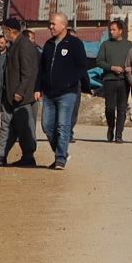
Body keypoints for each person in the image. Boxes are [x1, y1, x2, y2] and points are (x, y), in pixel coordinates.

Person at [0, 18, 41, 167]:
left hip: (21, 97)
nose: (3, 33)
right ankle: (0, 155)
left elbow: (28, 72)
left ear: (9, 30)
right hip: (10, 95)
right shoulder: (15, 45)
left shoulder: (25, 45)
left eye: (4, 30)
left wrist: (21, 91)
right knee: (6, 125)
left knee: (24, 127)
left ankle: (28, 157)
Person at [36, 13, 91, 170]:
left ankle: (60, 158)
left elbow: (82, 67)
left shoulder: (75, 44)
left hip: (67, 93)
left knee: (63, 125)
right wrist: (38, 88)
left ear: (63, 25)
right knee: (47, 125)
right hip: (49, 93)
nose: (50, 27)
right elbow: (42, 69)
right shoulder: (48, 44)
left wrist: (70, 82)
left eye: (53, 24)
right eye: (49, 24)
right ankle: (62, 152)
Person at [97, 20, 132, 143]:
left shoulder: (128, 45)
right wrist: (111, 67)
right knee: (110, 108)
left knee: (122, 108)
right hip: (109, 80)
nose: (111, 32)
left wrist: (131, 67)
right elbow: (99, 61)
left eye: (113, 30)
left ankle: (119, 134)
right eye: (110, 30)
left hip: (124, 81)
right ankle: (110, 127)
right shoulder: (105, 45)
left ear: (120, 30)